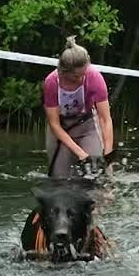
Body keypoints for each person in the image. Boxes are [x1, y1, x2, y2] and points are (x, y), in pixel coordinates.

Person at [42, 37, 115, 178]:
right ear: (63, 72)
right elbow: (54, 124)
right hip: (61, 129)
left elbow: (105, 120)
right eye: (76, 76)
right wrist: (80, 153)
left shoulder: (94, 77)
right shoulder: (51, 82)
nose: (82, 78)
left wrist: (108, 156)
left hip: (87, 126)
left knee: (97, 176)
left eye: (84, 73)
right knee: (59, 179)